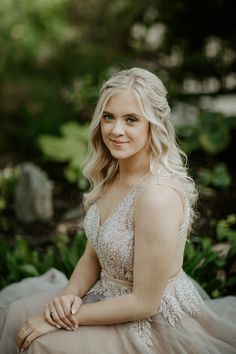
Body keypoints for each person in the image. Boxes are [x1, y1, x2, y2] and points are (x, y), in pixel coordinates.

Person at [0, 67, 236, 354]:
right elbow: (93, 254)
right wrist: (68, 297)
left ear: (154, 125)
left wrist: (63, 320)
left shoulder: (157, 197)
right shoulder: (112, 175)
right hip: (104, 295)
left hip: (149, 321)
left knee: (41, 342)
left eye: (131, 120)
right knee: (15, 314)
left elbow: (144, 303)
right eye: (109, 117)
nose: (116, 130)